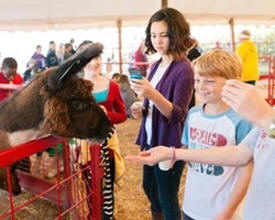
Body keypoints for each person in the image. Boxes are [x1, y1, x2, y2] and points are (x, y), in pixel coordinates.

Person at [127, 79, 275, 220]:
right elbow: (241, 153)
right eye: (197, 80)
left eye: (209, 81)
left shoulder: (251, 119)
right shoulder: (195, 113)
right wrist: (172, 153)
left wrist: (266, 117)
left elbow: (245, 161)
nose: (200, 85)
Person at [130, 8, 194, 220]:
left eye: (164, 35)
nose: (157, 41)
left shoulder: (184, 69)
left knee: (167, 196)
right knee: (149, 188)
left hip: (169, 142)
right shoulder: (156, 64)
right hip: (151, 137)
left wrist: (152, 94)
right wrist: (141, 105)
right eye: (153, 35)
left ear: (176, 34)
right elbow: (153, 101)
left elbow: (178, 114)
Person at [80, 40, 127, 220]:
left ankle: (107, 216)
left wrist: (106, 114)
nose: (94, 62)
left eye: (97, 57)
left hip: (107, 143)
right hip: (84, 145)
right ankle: (93, 215)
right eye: (89, 58)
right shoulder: (74, 88)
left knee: (106, 186)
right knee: (88, 185)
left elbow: (122, 115)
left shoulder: (112, 86)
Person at [186, 38, 202, 109]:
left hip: (191, 74)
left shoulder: (192, 52)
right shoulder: (196, 51)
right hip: (193, 74)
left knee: (190, 93)